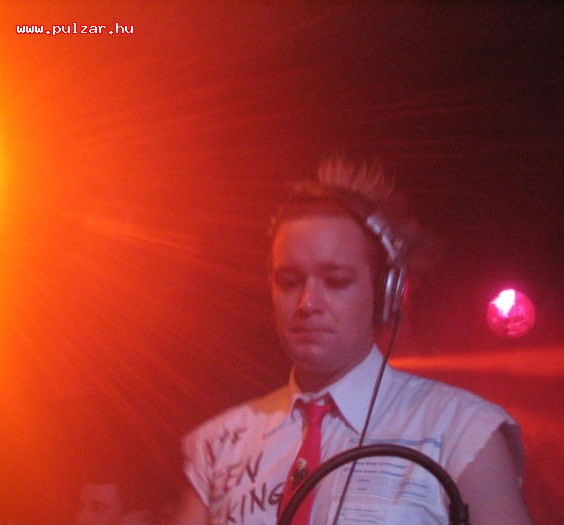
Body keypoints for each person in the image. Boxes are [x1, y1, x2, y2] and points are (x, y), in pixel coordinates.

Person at [173, 157, 532, 524]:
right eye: (289, 281)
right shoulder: (216, 444)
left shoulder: (463, 431)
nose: (307, 303)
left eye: (337, 281)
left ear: (386, 292)